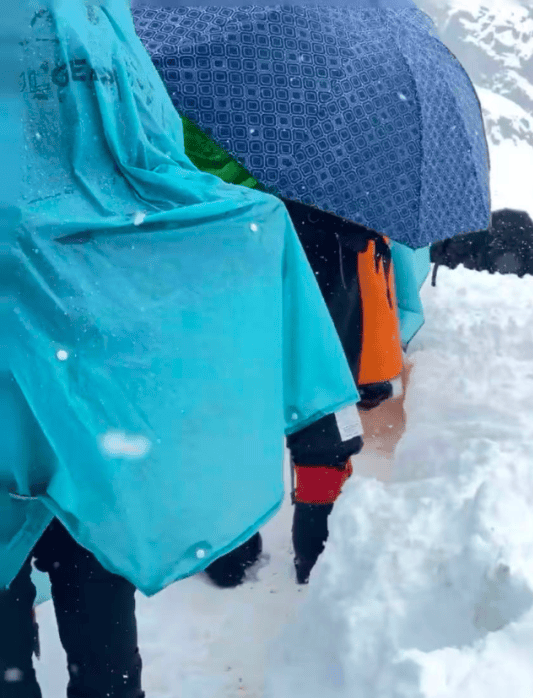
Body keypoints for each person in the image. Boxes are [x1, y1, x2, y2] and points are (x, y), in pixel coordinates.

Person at [0, 1, 361, 696]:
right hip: (95, 405)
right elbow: (154, 155)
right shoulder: (93, 21)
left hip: (68, 397)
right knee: (101, 626)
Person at [182, 116, 408, 586]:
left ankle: (231, 552)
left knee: (237, 419)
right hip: (327, 279)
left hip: (233, 274)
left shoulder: (201, 104)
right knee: (322, 423)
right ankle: (317, 555)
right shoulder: (341, 121)